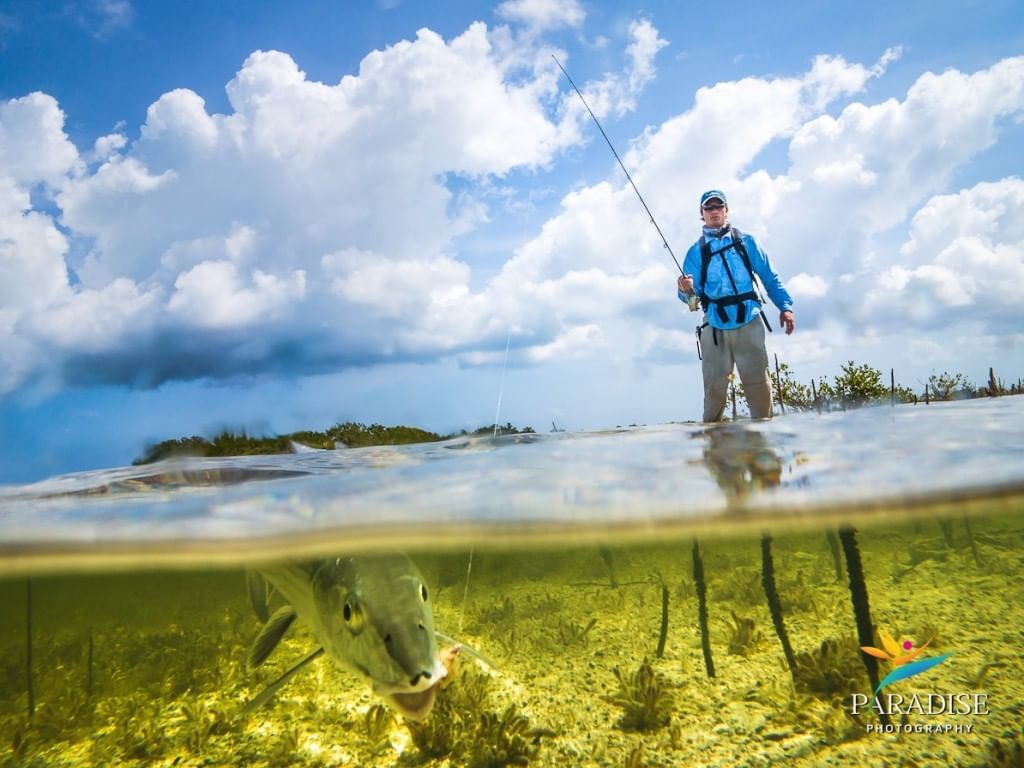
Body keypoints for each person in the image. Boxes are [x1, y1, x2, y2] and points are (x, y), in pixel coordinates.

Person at [677, 190, 795, 422]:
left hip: (749, 322)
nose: (714, 212)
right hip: (715, 327)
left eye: (718, 207)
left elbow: (770, 276)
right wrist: (685, 289)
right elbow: (691, 303)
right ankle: (713, 449)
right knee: (714, 391)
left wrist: (785, 307)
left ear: (726, 210)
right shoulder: (695, 252)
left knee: (758, 386)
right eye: (708, 208)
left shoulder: (747, 242)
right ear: (702, 214)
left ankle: (763, 446)